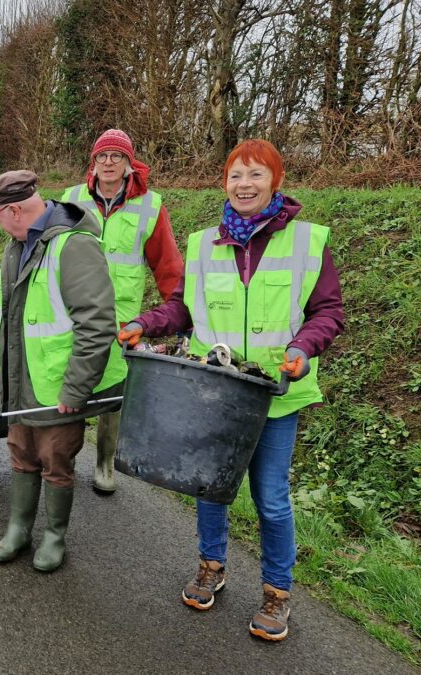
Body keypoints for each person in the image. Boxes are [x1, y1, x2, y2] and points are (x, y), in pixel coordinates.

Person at [119, 139, 344, 641]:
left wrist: (304, 348)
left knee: (271, 500)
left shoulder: (308, 241)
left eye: (256, 175)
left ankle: (276, 593)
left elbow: (328, 311)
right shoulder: (203, 244)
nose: (245, 184)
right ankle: (211, 566)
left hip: (275, 395)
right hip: (212, 392)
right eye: (236, 175)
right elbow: (181, 309)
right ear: (225, 183)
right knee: (209, 485)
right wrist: (145, 322)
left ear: (275, 182)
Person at [0, 170, 117, 572]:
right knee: (21, 452)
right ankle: (18, 529)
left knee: (55, 458)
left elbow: (97, 324)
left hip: (58, 384)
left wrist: (76, 388)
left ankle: (54, 537)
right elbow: (1, 314)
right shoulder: (15, 245)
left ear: (14, 210)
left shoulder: (74, 247)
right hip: (21, 377)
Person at [60, 129, 183, 495]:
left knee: (113, 387)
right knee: (70, 378)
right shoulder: (70, 199)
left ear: (130, 164)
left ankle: (105, 463)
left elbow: (167, 265)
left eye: (117, 156)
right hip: (73, 310)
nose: (109, 163)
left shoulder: (150, 205)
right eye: (103, 156)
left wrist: (179, 311)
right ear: (93, 163)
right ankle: (64, 456)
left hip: (120, 317)